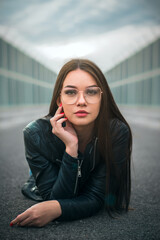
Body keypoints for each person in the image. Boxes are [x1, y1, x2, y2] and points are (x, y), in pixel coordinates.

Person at [10, 59, 132, 227]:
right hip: (53, 174)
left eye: (91, 92)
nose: (81, 101)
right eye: (70, 92)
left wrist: (58, 210)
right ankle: (35, 175)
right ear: (59, 99)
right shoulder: (35, 134)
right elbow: (54, 199)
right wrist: (71, 148)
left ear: (102, 98)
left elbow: (97, 197)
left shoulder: (117, 132)